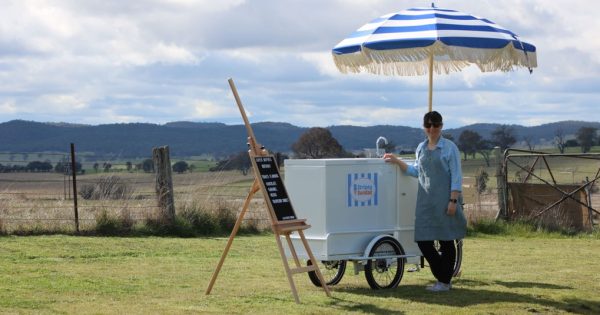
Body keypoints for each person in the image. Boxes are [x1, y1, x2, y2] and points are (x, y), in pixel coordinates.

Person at [383, 111, 466, 292]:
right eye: (428, 125)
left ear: (441, 126)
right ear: (424, 127)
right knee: (423, 241)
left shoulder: (450, 148)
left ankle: (444, 282)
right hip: (426, 202)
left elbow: (456, 176)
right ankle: (443, 277)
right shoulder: (420, 148)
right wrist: (397, 161)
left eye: (435, 125)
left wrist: (453, 200)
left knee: (446, 240)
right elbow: (415, 171)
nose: (432, 128)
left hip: (445, 200)